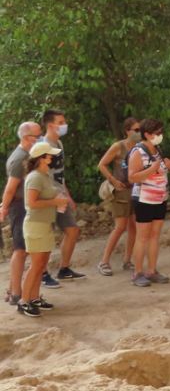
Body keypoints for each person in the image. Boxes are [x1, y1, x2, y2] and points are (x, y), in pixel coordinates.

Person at [15, 140, 66, 317]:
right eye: (49, 155)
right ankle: (24, 301)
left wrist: (57, 201)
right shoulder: (35, 177)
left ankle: (34, 298)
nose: (52, 157)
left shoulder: (44, 175)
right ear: (42, 158)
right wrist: (55, 201)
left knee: (41, 264)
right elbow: (32, 203)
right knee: (36, 265)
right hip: (36, 226)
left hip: (43, 225)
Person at [127, 119, 170, 287]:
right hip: (144, 199)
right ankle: (137, 272)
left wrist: (168, 166)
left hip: (160, 197)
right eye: (157, 133)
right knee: (142, 237)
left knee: (155, 236)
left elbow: (163, 170)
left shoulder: (157, 149)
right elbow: (132, 177)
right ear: (147, 134)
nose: (160, 136)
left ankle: (152, 270)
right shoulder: (138, 152)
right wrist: (152, 169)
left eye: (161, 132)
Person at [41, 109, 84, 283]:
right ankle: (43, 273)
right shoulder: (43, 146)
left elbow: (59, 173)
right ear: (50, 125)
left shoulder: (58, 143)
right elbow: (39, 175)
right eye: (60, 122)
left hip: (60, 195)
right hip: (47, 197)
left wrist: (67, 195)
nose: (64, 125)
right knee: (46, 236)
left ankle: (64, 269)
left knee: (72, 230)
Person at [3, 122, 42, 306]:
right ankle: (16, 293)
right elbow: (10, 189)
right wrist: (4, 208)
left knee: (23, 249)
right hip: (19, 207)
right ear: (27, 138)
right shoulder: (20, 158)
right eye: (37, 136)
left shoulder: (27, 155)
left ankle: (13, 290)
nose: (40, 138)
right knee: (20, 250)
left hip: (23, 205)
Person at [96, 118, 141, 274]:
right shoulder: (118, 146)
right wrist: (113, 180)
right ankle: (104, 262)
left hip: (135, 190)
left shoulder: (139, 147)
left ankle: (127, 260)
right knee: (120, 226)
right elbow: (102, 164)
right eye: (136, 130)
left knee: (133, 226)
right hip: (121, 191)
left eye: (140, 130)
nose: (139, 133)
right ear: (127, 131)